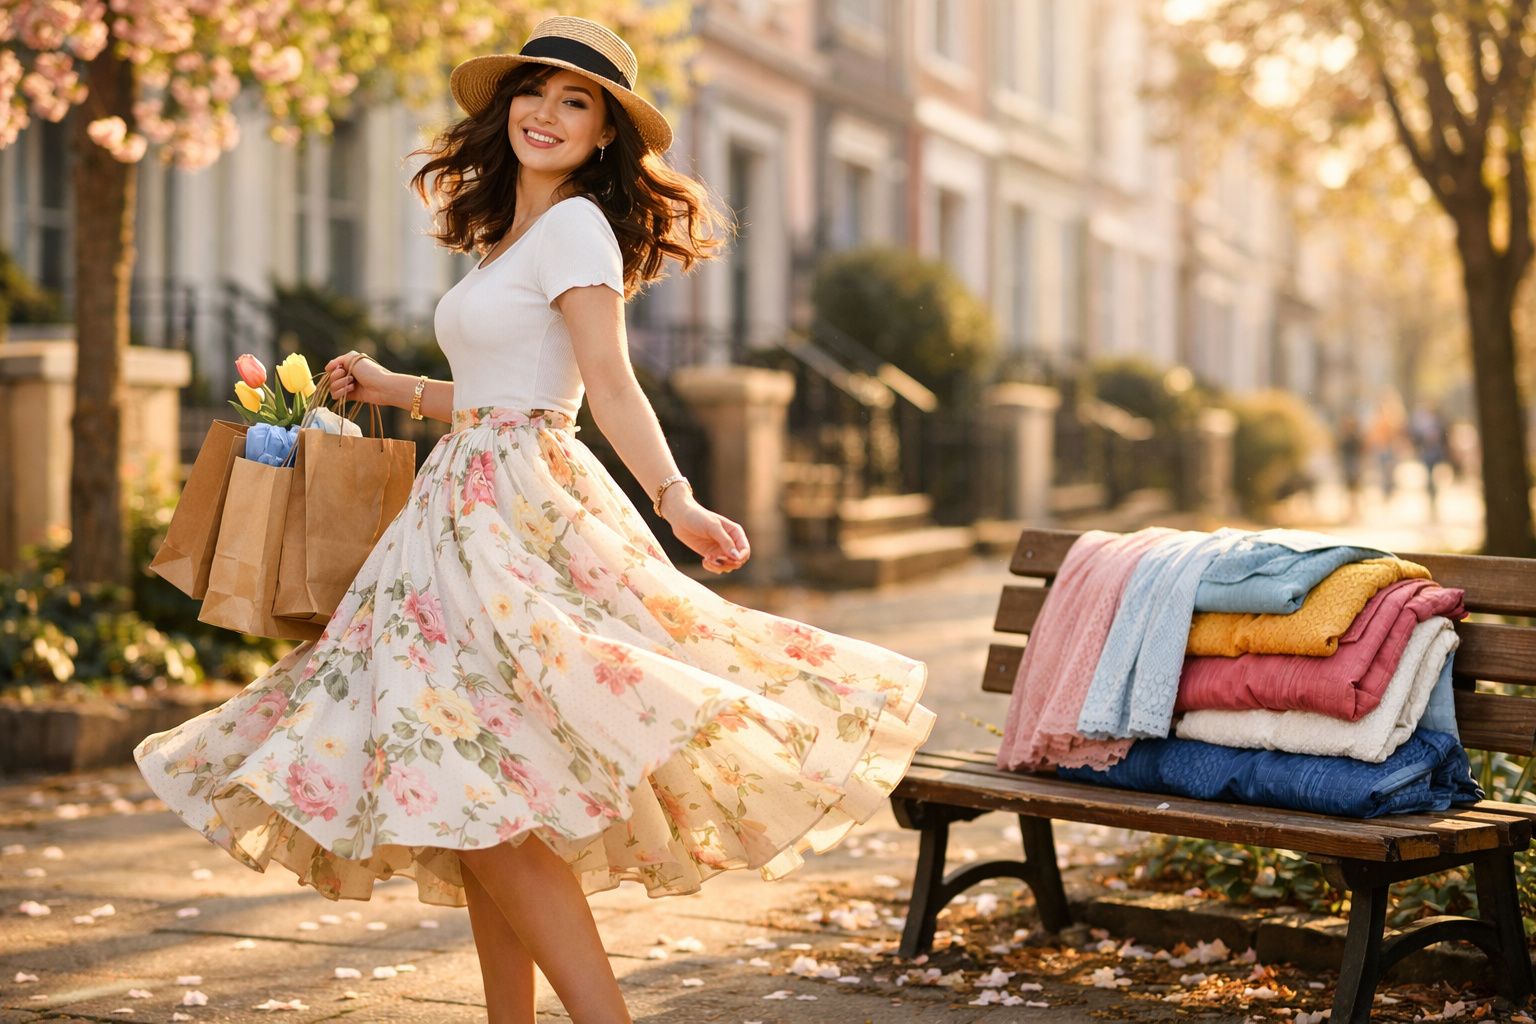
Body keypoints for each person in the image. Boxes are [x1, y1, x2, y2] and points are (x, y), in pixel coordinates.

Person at [133, 17, 936, 1024]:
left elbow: (606, 385)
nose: (546, 115)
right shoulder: (516, 233)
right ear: (504, 105)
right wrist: (393, 384)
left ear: (605, 135)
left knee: (476, 790)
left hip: (514, 512)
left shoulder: (576, 228)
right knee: (470, 787)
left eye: (576, 102)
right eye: (535, 92)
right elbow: (498, 388)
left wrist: (676, 496)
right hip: (459, 505)